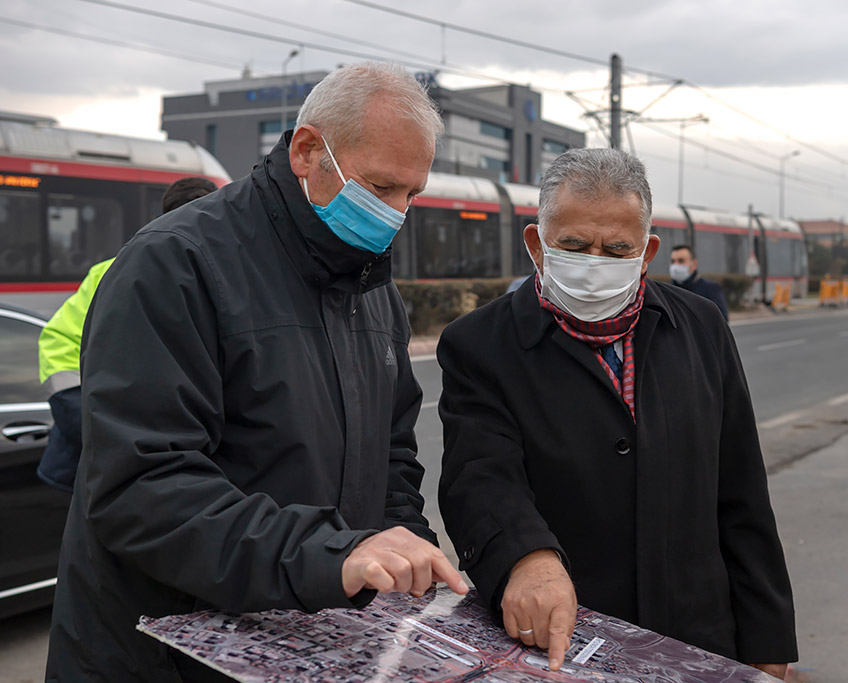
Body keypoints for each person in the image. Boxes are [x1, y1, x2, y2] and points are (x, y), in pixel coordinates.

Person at [46, 62, 467, 682]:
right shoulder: (174, 263)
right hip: (167, 656)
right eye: (380, 188)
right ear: (306, 151)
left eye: (412, 194)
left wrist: (404, 546)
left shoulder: (373, 289)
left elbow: (391, 455)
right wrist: (336, 554)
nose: (397, 214)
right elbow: (142, 489)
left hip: (304, 642)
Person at [438, 148, 796, 677]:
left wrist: (768, 646)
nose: (594, 265)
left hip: (700, 639)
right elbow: (480, 476)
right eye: (575, 246)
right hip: (561, 643)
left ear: (647, 252)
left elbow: (741, 494)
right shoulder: (479, 344)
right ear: (537, 244)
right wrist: (527, 558)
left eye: (616, 249)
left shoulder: (701, 327)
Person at [36, 177, 218, 492]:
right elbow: (63, 351)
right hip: (101, 459)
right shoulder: (120, 270)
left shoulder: (213, 277)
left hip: (143, 460)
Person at [670, 243, 729, 320]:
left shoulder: (710, 288)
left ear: (694, 264)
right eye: (673, 261)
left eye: (681, 261)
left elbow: (721, 320)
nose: (675, 265)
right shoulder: (666, 289)